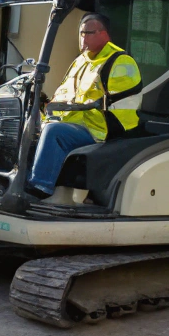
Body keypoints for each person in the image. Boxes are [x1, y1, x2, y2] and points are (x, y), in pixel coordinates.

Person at [26, 11, 142, 198]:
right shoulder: (81, 61)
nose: (82, 38)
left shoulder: (120, 61)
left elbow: (109, 104)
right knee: (29, 129)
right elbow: (66, 96)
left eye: (87, 33)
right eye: (80, 33)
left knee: (54, 133)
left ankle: (40, 188)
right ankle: (21, 181)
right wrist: (45, 105)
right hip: (77, 124)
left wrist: (62, 114)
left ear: (104, 34)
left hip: (100, 130)